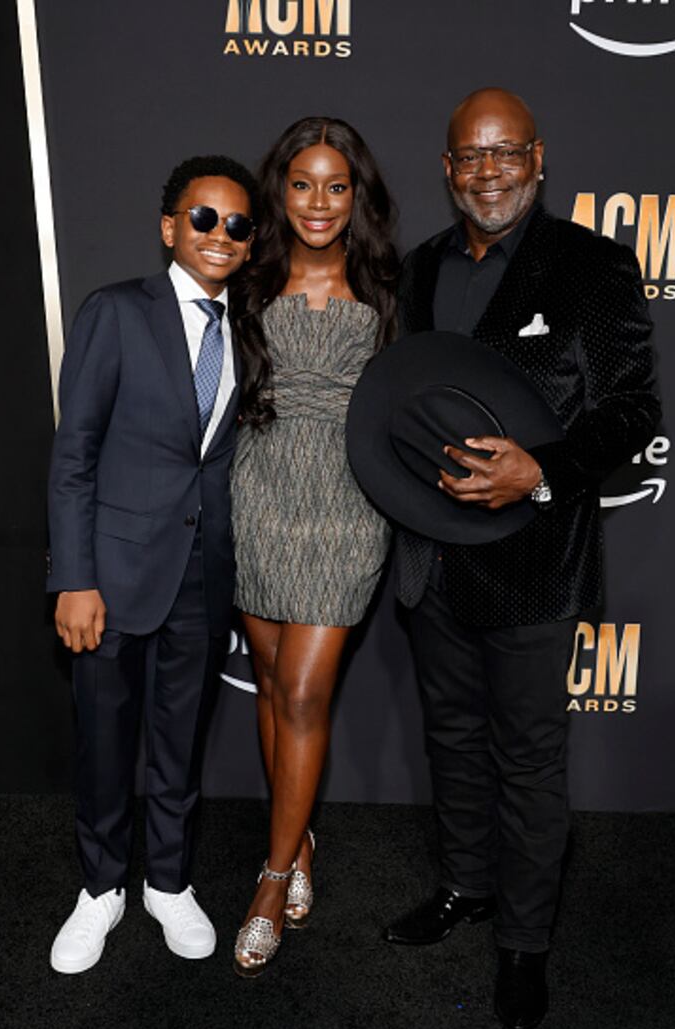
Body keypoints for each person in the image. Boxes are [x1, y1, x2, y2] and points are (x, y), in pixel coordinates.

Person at [381, 88, 661, 1029]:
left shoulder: (591, 265)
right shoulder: (419, 269)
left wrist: (541, 471)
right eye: (470, 155)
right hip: (431, 557)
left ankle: (525, 942)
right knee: (452, 739)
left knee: (531, 760)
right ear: (447, 169)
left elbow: (633, 408)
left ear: (537, 160)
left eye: (506, 153)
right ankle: (467, 885)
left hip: (534, 561)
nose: (488, 171)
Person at [46, 155, 257, 974]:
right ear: (170, 227)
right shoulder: (116, 312)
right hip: (112, 575)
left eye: (238, 224)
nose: (220, 234)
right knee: (104, 743)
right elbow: (74, 454)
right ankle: (101, 887)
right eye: (203, 218)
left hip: (204, 576)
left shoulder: (249, 329)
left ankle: (169, 881)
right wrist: (74, 576)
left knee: (180, 742)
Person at [230, 117, 398, 977]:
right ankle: (296, 842)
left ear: (356, 194)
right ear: (281, 190)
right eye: (302, 184)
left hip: (347, 501)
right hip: (260, 492)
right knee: (268, 681)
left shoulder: (390, 285)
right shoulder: (248, 273)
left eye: (336, 185)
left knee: (301, 689)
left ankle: (269, 879)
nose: (319, 201)